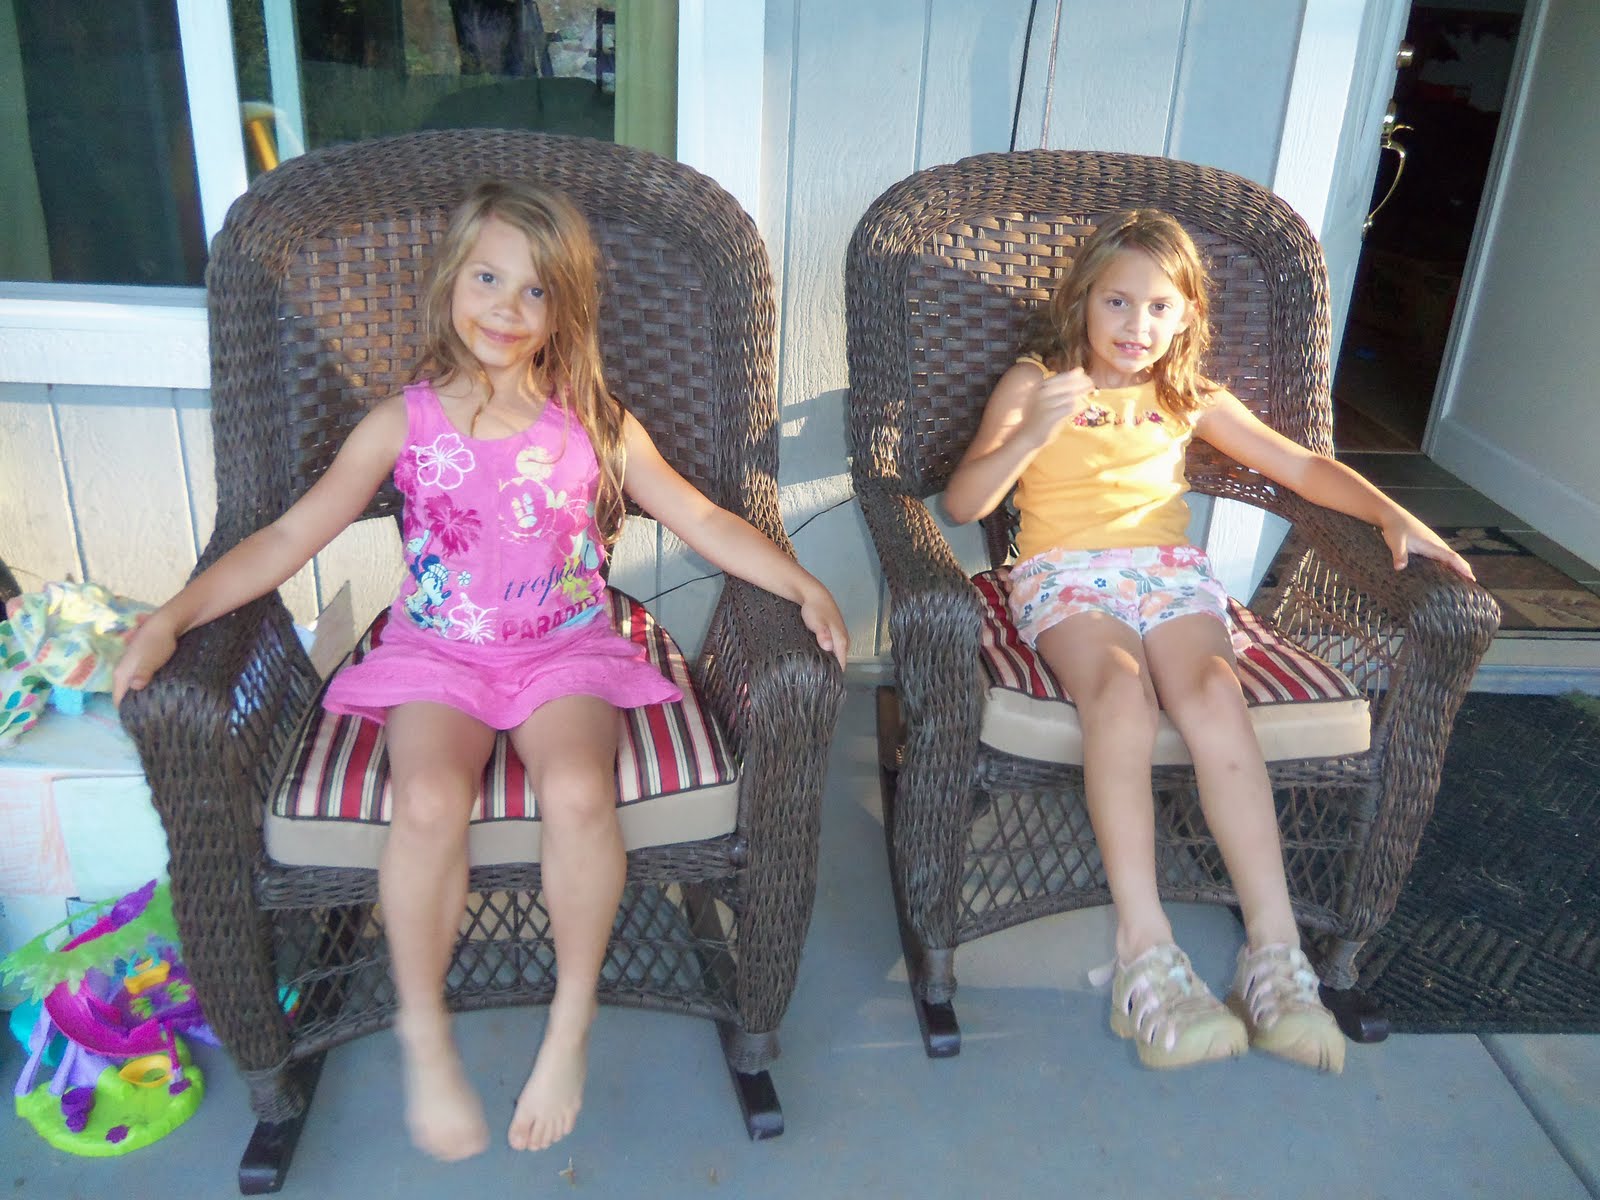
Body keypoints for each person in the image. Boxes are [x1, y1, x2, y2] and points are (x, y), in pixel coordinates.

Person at [113, 179, 849, 1160]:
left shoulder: (596, 423)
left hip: (565, 646)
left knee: (579, 789)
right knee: (425, 800)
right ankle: (423, 1030)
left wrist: (801, 584)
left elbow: (706, 517)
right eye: (489, 279)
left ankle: (571, 1020)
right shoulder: (402, 423)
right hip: (439, 652)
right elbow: (286, 536)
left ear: (564, 310)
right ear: (451, 283)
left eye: (535, 290)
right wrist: (172, 617)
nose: (507, 307)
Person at [942, 209, 1473, 1074]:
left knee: (1217, 700)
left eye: (1160, 307)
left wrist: (1392, 513)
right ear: (1082, 300)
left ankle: (1274, 953)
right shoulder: (1036, 381)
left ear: (1187, 314)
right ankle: (1145, 950)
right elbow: (964, 503)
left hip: (1171, 577)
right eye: (1117, 302)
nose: (1136, 325)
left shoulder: (1186, 395)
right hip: (1067, 576)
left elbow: (1299, 466)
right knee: (1120, 697)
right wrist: (1033, 430)